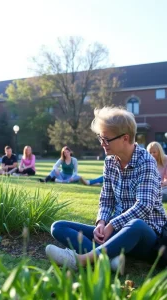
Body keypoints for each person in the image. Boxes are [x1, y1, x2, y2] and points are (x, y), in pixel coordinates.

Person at [45, 106, 167, 274]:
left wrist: (111, 225)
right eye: (100, 138)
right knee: (58, 227)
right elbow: (106, 199)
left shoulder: (146, 161)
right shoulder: (110, 161)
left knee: (136, 225)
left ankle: (81, 260)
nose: (102, 143)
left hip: (146, 235)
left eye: (106, 139)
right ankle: (109, 260)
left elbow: (144, 207)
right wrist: (101, 222)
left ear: (125, 138)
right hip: (115, 230)